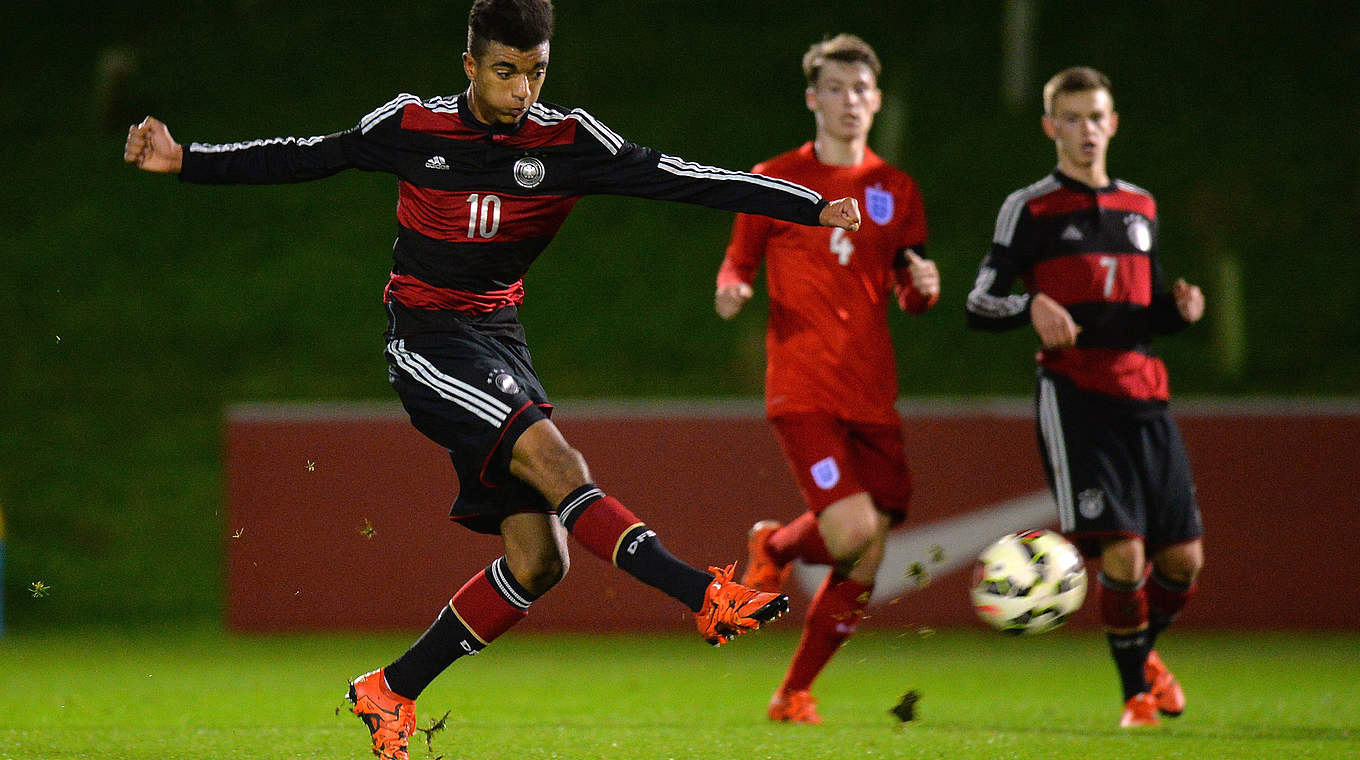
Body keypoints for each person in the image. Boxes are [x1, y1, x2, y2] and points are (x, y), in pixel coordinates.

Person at [123, 1, 865, 758]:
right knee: (557, 462)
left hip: (499, 338)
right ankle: (701, 595)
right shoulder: (412, 126)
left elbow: (681, 177)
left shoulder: (569, 141)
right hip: (425, 338)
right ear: (471, 65)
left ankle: (391, 690)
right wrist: (188, 159)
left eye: (536, 73)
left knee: (539, 562)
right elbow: (313, 153)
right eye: (506, 72)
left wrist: (805, 206)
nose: (522, 91)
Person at [965, 66, 1206, 728]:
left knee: (1183, 560)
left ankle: (1144, 656)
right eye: (1071, 119)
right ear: (1051, 128)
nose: (1086, 130)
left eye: (1096, 117)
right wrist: (1030, 304)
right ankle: (1135, 695)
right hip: (1076, 396)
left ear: (1113, 123)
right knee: (1125, 552)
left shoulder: (1140, 207)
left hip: (1146, 394)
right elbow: (979, 303)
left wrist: (1178, 312)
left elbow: (1144, 309)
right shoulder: (1030, 207)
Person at [713, 34, 939, 725]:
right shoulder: (774, 179)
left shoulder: (896, 190)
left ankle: (793, 693)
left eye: (862, 90)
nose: (850, 101)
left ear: (876, 101)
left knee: (868, 553)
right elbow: (737, 265)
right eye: (836, 89)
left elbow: (910, 287)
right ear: (814, 98)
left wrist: (924, 286)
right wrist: (731, 290)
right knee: (851, 532)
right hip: (803, 386)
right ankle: (777, 545)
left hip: (872, 390)